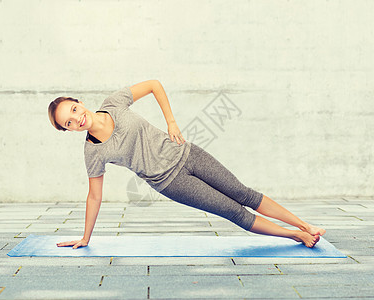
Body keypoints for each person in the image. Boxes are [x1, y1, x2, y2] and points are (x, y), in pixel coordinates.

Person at [48, 80, 325, 249]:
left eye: (73, 110)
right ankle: (295, 236)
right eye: (68, 123)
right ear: (68, 130)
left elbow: (154, 84)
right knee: (234, 212)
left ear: (79, 102)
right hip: (171, 183)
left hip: (187, 153)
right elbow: (94, 195)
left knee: (244, 194)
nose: (76, 119)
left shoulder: (114, 103)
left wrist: (171, 121)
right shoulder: (93, 152)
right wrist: (85, 237)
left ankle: (306, 225)